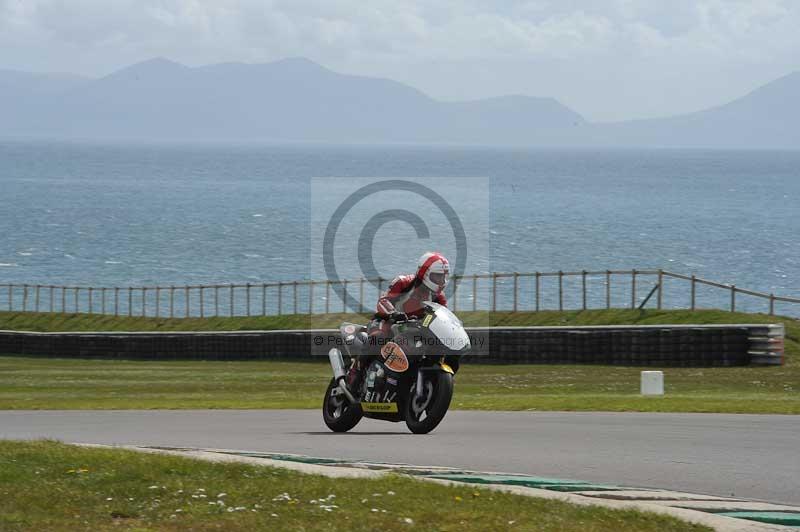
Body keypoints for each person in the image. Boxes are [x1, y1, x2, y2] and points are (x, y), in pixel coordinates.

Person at [346, 251, 450, 388]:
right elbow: (383, 300)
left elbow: (442, 317)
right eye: (437, 276)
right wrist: (394, 313)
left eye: (443, 277)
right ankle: (355, 372)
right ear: (424, 273)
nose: (441, 281)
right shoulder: (404, 282)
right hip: (387, 322)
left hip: (412, 331)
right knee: (378, 338)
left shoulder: (439, 297)